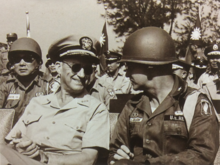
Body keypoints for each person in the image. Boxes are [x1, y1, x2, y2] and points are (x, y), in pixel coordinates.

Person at [108, 27, 219, 165]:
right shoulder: (133, 106)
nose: (126, 74)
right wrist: (117, 157)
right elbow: (114, 152)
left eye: (130, 66)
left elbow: (202, 156)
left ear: (149, 67)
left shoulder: (193, 103)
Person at [0, 34, 110, 165]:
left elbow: (89, 159)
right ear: (58, 67)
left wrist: (45, 158)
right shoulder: (37, 103)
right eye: (75, 67)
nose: (81, 75)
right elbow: (10, 144)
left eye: (87, 69)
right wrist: (21, 146)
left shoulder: (96, 109)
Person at [0, 37, 52, 125]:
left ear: (38, 62)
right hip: (11, 135)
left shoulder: (48, 85)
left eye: (28, 59)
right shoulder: (6, 86)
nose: (22, 63)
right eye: (17, 59)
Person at [197, 41, 220, 112]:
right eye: (212, 58)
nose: (215, 60)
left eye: (218, 57)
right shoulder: (203, 78)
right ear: (208, 60)